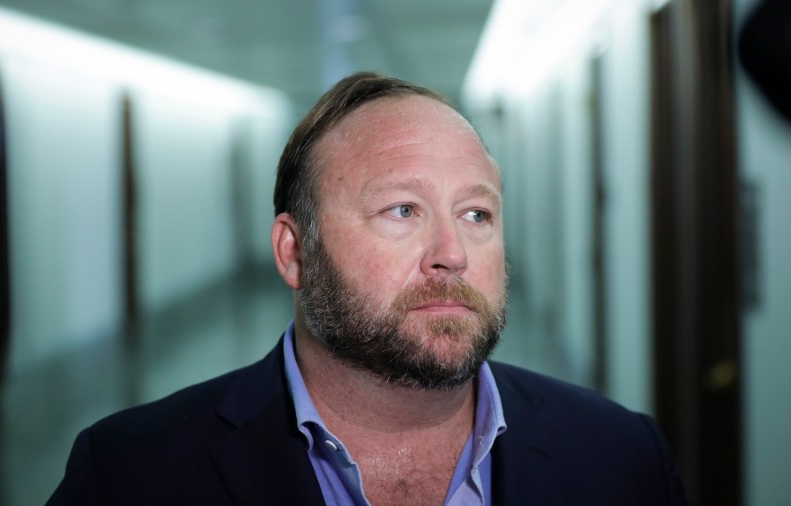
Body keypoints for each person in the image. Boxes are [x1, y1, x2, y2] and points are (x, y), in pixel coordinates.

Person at [48, 72, 688, 505]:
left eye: (477, 215)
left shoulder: (623, 457)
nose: (452, 256)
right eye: (402, 210)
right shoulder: (131, 476)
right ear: (294, 251)